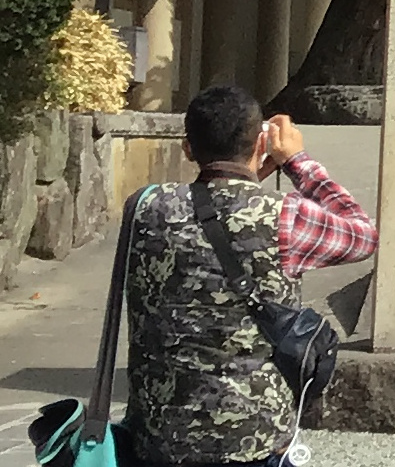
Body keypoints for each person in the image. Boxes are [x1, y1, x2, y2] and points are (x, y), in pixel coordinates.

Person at [127, 85, 377, 467]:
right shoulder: (286, 216)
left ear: (188, 148)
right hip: (254, 436)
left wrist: (245, 178)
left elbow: (212, 212)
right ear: (261, 142)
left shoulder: (146, 208)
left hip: (159, 436)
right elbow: (362, 235)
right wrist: (297, 161)